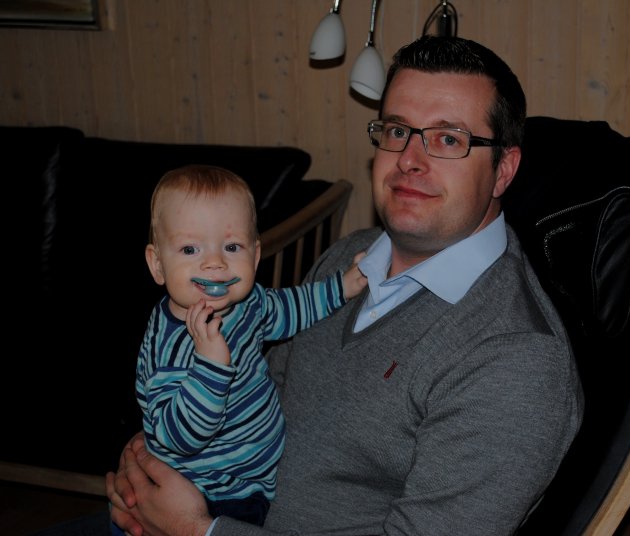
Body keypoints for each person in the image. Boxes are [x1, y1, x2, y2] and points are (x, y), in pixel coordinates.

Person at [108, 35, 584, 536]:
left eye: (448, 139)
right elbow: (259, 387)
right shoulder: (348, 256)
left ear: (503, 169)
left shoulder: (515, 358)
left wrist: (194, 528)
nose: (410, 159)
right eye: (397, 130)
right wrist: (156, 470)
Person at [118, 164, 366, 531]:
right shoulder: (169, 348)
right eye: (190, 248)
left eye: (232, 247)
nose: (215, 263)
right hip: (211, 493)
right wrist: (211, 365)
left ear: (254, 256)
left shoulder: (249, 303)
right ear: (157, 265)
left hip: (256, 472)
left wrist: (343, 287)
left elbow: (292, 307)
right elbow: (179, 438)